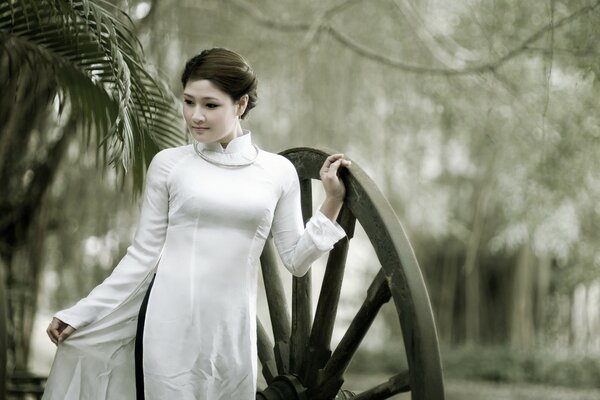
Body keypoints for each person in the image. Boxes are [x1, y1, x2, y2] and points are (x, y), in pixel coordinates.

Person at [43, 47, 350, 400]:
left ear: (240, 104)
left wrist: (332, 200)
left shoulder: (277, 172)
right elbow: (142, 256)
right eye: (189, 102)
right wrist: (84, 311)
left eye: (210, 104)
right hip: (168, 327)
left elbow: (296, 261)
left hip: (231, 333)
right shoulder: (170, 165)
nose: (195, 116)